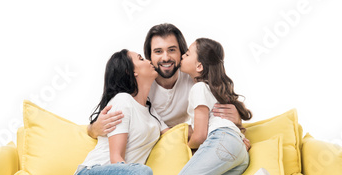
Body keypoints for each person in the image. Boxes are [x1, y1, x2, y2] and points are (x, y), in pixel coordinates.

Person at [166, 38, 284, 175]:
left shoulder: (199, 88)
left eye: (188, 53)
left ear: (199, 66)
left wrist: (185, 144)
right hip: (238, 151)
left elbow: (201, 135)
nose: (183, 55)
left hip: (221, 143)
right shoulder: (212, 89)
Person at [87, 23, 251, 152]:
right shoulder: (140, 85)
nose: (166, 58)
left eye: (172, 50)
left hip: (186, 139)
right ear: (149, 56)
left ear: (182, 53)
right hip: (153, 143)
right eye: (158, 51)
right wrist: (94, 129)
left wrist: (237, 119)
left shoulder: (194, 78)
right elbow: (104, 115)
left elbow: (220, 96)